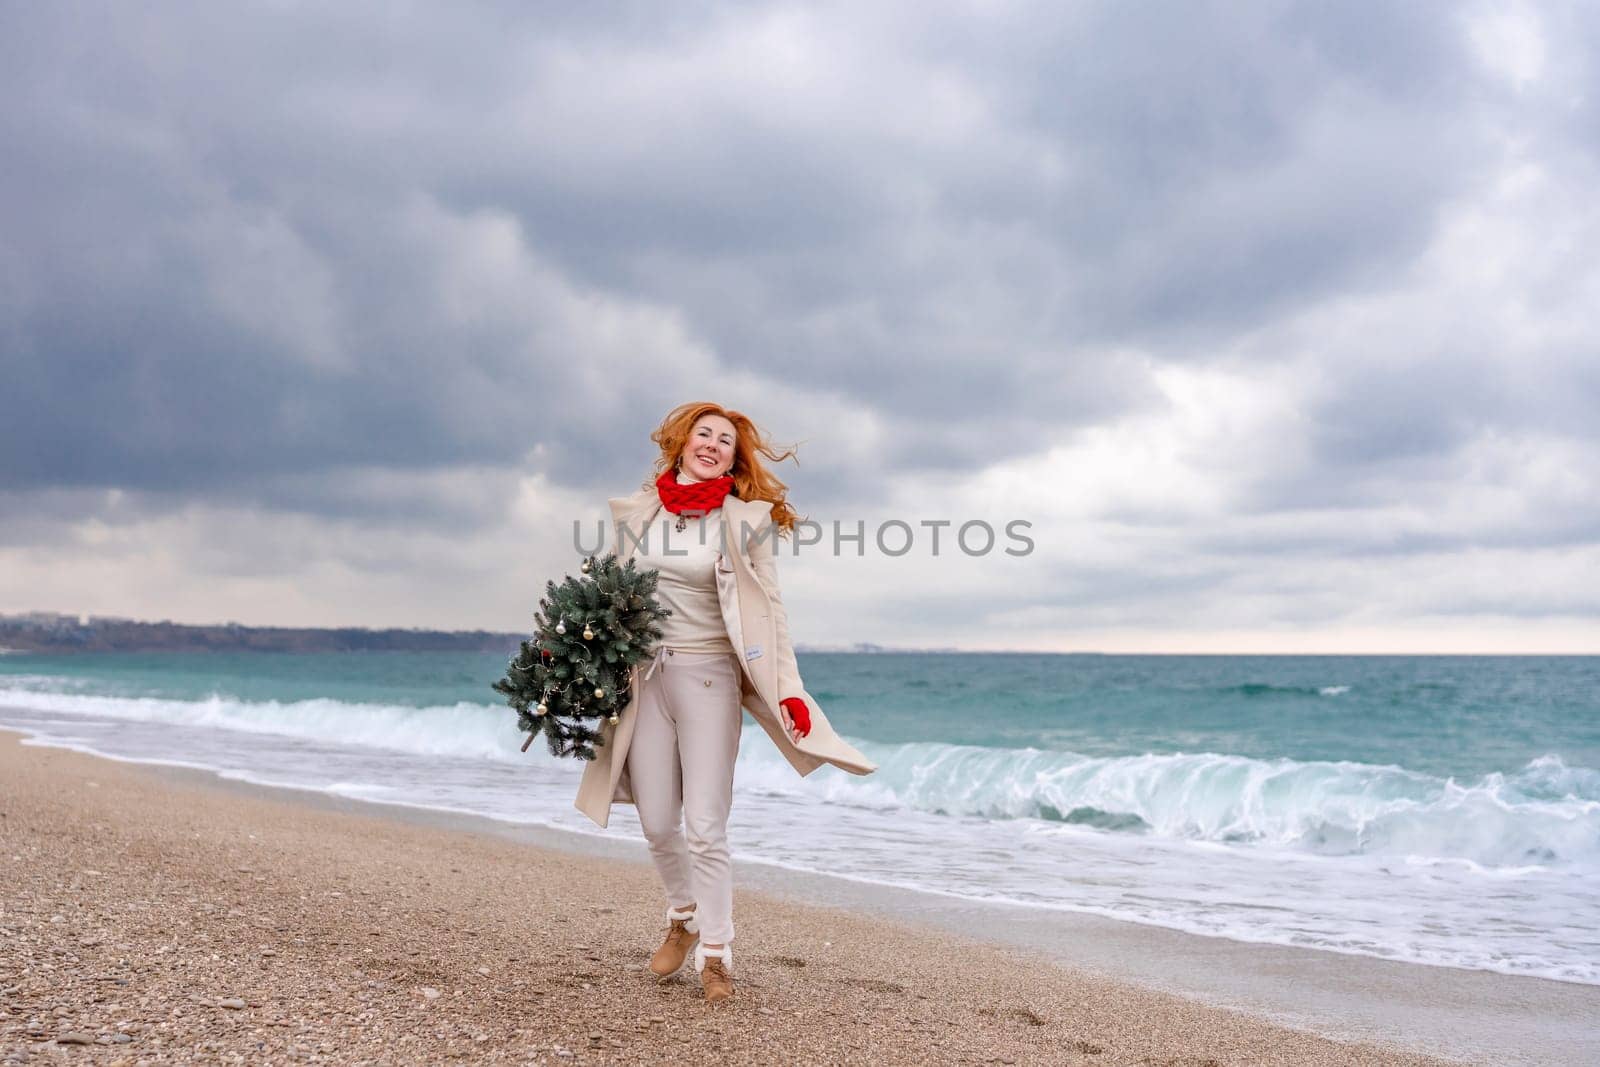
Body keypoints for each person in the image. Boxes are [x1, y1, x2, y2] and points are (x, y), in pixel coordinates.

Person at [573, 401, 877, 1004]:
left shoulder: (744, 523)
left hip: (710, 678)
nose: (712, 445)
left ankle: (717, 955)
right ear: (682, 442)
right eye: (704, 434)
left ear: (734, 461)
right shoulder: (639, 514)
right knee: (658, 820)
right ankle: (682, 919)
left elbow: (772, 614)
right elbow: (603, 594)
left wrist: (787, 691)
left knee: (706, 825)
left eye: (726, 443)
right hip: (646, 678)